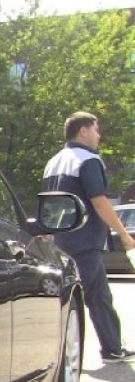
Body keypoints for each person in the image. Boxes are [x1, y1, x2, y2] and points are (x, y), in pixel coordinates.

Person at [42, 111, 135, 363]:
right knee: (75, 296)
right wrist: (124, 235)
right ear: (83, 131)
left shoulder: (55, 161)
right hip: (84, 241)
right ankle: (56, 356)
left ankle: (112, 347)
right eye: (96, 129)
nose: (99, 134)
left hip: (61, 241)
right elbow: (99, 200)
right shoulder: (87, 159)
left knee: (99, 295)